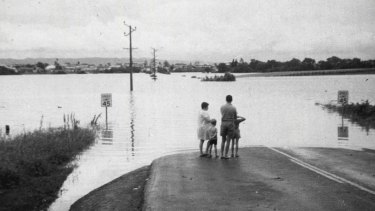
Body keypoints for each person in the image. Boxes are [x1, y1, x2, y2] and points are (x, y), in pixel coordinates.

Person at [220, 95, 237, 159]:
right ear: (231, 100)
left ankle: (221, 154)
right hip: (230, 123)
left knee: (223, 140)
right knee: (228, 140)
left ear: (226, 99)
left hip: (223, 123)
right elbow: (235, 117)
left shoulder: (222, 107)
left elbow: (222, 114)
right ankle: (226, 154)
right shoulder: (233, 108)